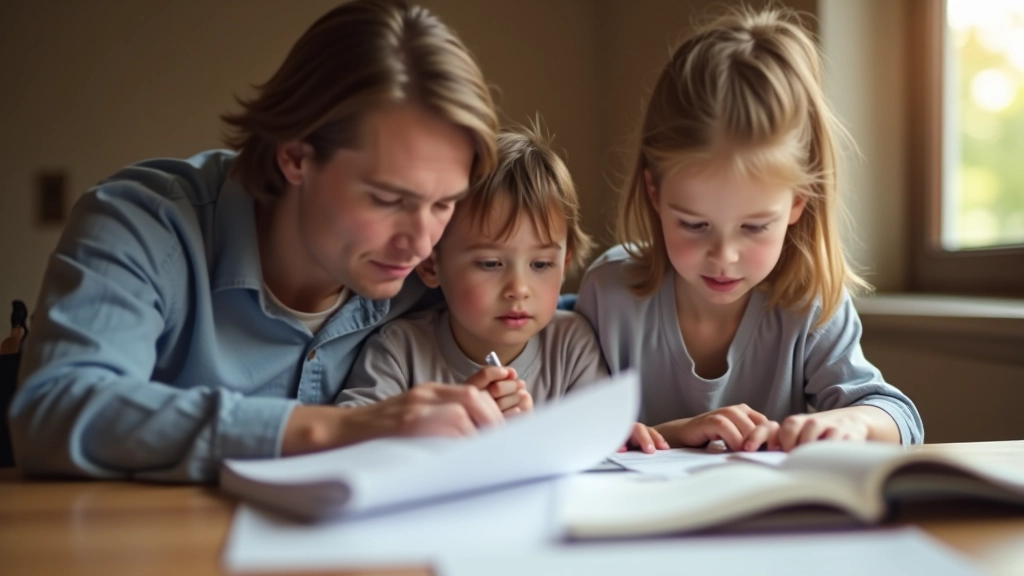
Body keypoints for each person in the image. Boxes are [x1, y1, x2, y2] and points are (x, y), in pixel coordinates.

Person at [10, 0, 507, 483]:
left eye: (444, 203)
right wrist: (344, 428)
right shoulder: (142, 223)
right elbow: (53, 410)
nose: (420, 243)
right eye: (387, 199)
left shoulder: (440, 268)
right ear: (295, 157)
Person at [576, 7, 924, 453]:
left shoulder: (810, 302)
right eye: (694, 224)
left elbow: (899, 417)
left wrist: (852, 422)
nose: (724, 255)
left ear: (798, 202)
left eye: (756, 226)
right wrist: (676, 432)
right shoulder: (609, 295)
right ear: (654, 192)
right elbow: (578, 435)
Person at [337, 122, 609, 414]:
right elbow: (349, 431)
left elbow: (602, 431)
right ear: (431, 265)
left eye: (541, 264)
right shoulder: (400, 350)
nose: (519, 289)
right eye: (490, 263)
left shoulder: (571, 345)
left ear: (564, 265)